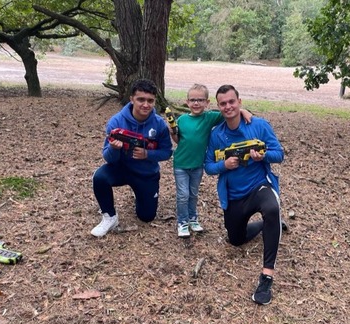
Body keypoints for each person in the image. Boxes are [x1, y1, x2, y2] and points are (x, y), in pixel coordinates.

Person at [204, 84, 284, 305]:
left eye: (232, 101)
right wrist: (224, 165)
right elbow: (208, 166)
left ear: (239, 101)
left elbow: (280, 154)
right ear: (219, 107)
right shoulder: (217, 134)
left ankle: (267, 276)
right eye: (223, 103)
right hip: (234, 196)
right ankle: (271, 225)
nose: (228, 106)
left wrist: (262, 156)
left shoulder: (258, 125)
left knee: (271, 208)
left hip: (259, 187)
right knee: (235, 239)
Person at [91, 79, 173, 237]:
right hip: (121, 169)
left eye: (150, 100)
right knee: (100, 177)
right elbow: (108, 158)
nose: (146, 105)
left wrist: (147, 154)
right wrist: (114, 149)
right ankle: (109, 217)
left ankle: (141, 194)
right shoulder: (116, 122)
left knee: (146, 217)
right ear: (131, 99)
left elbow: (167, 152)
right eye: (141, 99)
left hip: (146, 174)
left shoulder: (159, 124)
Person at [168, 84, 252, 238]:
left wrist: (243, 111)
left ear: (207, 102)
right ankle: (182, 222)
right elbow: (178, 140)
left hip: (198, 165)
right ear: (187, 102)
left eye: (200, 100)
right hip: (181, 164)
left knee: (193, 194)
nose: (196, 103)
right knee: (182, 195)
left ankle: (193, 219)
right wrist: (173, 132)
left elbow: (229, 112)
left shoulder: (210, 117)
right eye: (192, 100)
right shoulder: (182, 119)